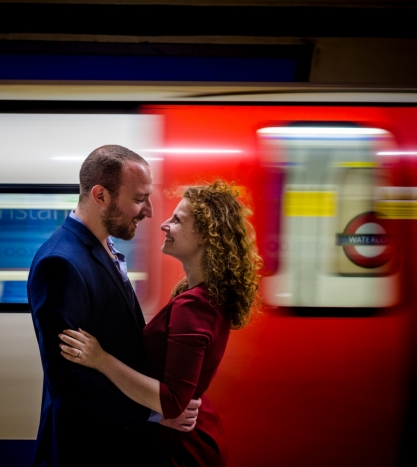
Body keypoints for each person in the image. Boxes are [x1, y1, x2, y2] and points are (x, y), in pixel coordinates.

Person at [59, 180, 262, 467]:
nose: (164, 224)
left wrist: (100, 359)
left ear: (205, 236)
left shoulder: (193, 305)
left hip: (180, 450)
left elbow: (172, 402)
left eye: (177, 220)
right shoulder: (203, 295)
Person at [28, 145, 201, 467]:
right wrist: (155, 412)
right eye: (138, 199)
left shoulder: (99, 247)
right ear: (100, 196)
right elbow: (68, 382)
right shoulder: (61, 263)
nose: (149, 211)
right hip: (86, 449)